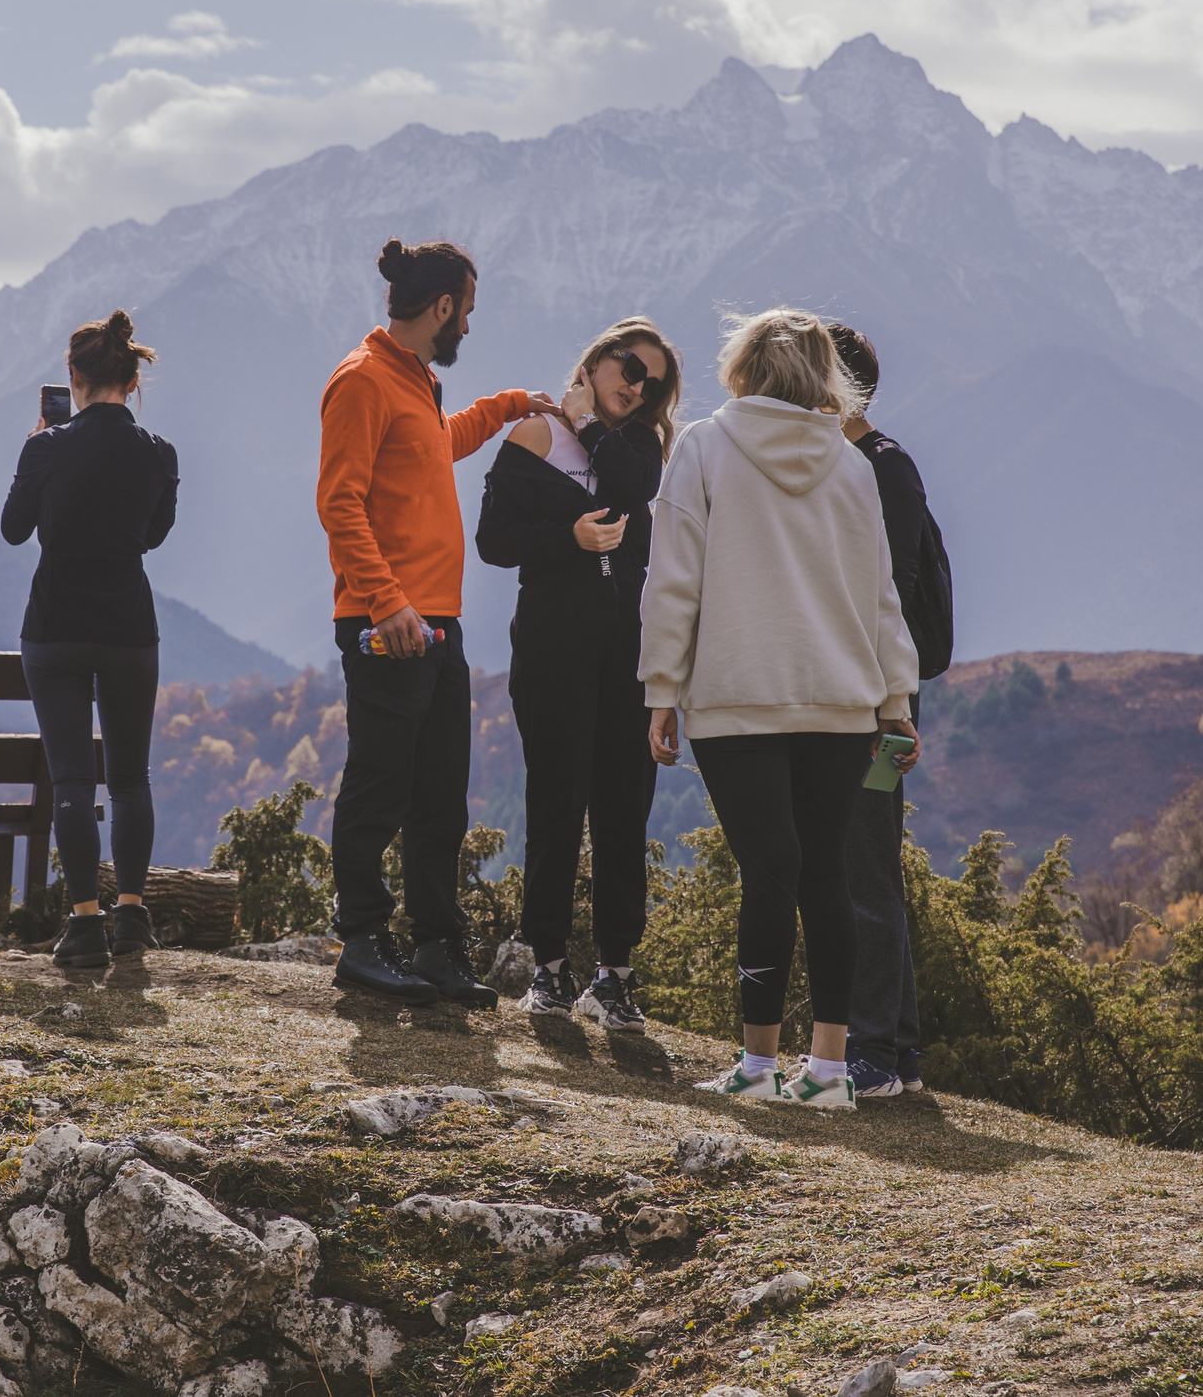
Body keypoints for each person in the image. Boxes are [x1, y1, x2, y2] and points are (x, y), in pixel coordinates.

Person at [639, 308, 920, 1111]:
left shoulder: (702, 448)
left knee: (768, 871)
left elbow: (673, 582)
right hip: (841, 701)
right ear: (822, 378)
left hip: (737, 696)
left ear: (744, 367)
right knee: (825, 873)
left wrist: (662, 688)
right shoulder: (850, 464)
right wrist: (894, 699)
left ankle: (756, 1064)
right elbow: (881, 598)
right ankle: (829, 1070)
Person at [317, 238, 554, 1006]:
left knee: (441, 792)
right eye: (468, 313)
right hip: (387, 624)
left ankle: (435, 948)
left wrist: (511, 405)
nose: (468, 329)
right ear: (443, 306)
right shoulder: (360, 380)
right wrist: (387, 602)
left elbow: (434, 448)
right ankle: (361, 939)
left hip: (435, 622)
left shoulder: (412, 379)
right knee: (381, 784)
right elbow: (339, 501)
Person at [476, 317, 683, 1029]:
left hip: (628, 656)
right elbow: (493, 540)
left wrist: (588, 421)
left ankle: (616, 973)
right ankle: (550, 967)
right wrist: (566, 537)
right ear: (595, 359)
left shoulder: (642, 449)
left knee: (625, 807)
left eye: (651, 382)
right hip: (552, 650)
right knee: (557, 804)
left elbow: (628, 486)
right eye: (628, 365)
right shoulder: (535, 435)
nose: (637, 383)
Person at [1, 310, 178, 970]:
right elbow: (153, 534)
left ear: (72, 376)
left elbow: (16, 528)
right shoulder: (159, 453)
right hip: (129, 626)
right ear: (133, 381)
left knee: (73, 777)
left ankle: (84, 924)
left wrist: (39, 454)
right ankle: (132, 912)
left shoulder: (47, 448)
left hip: (54, 626)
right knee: (130, 778)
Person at [827, 323, 951, 1096]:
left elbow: (895, 598)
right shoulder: (860, 466)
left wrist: (886, 707)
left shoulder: (882, 470)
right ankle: (897, 1051)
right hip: (868, 701)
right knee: (867, 864)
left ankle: (872, 1049)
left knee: (863, 866)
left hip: (879, 709)